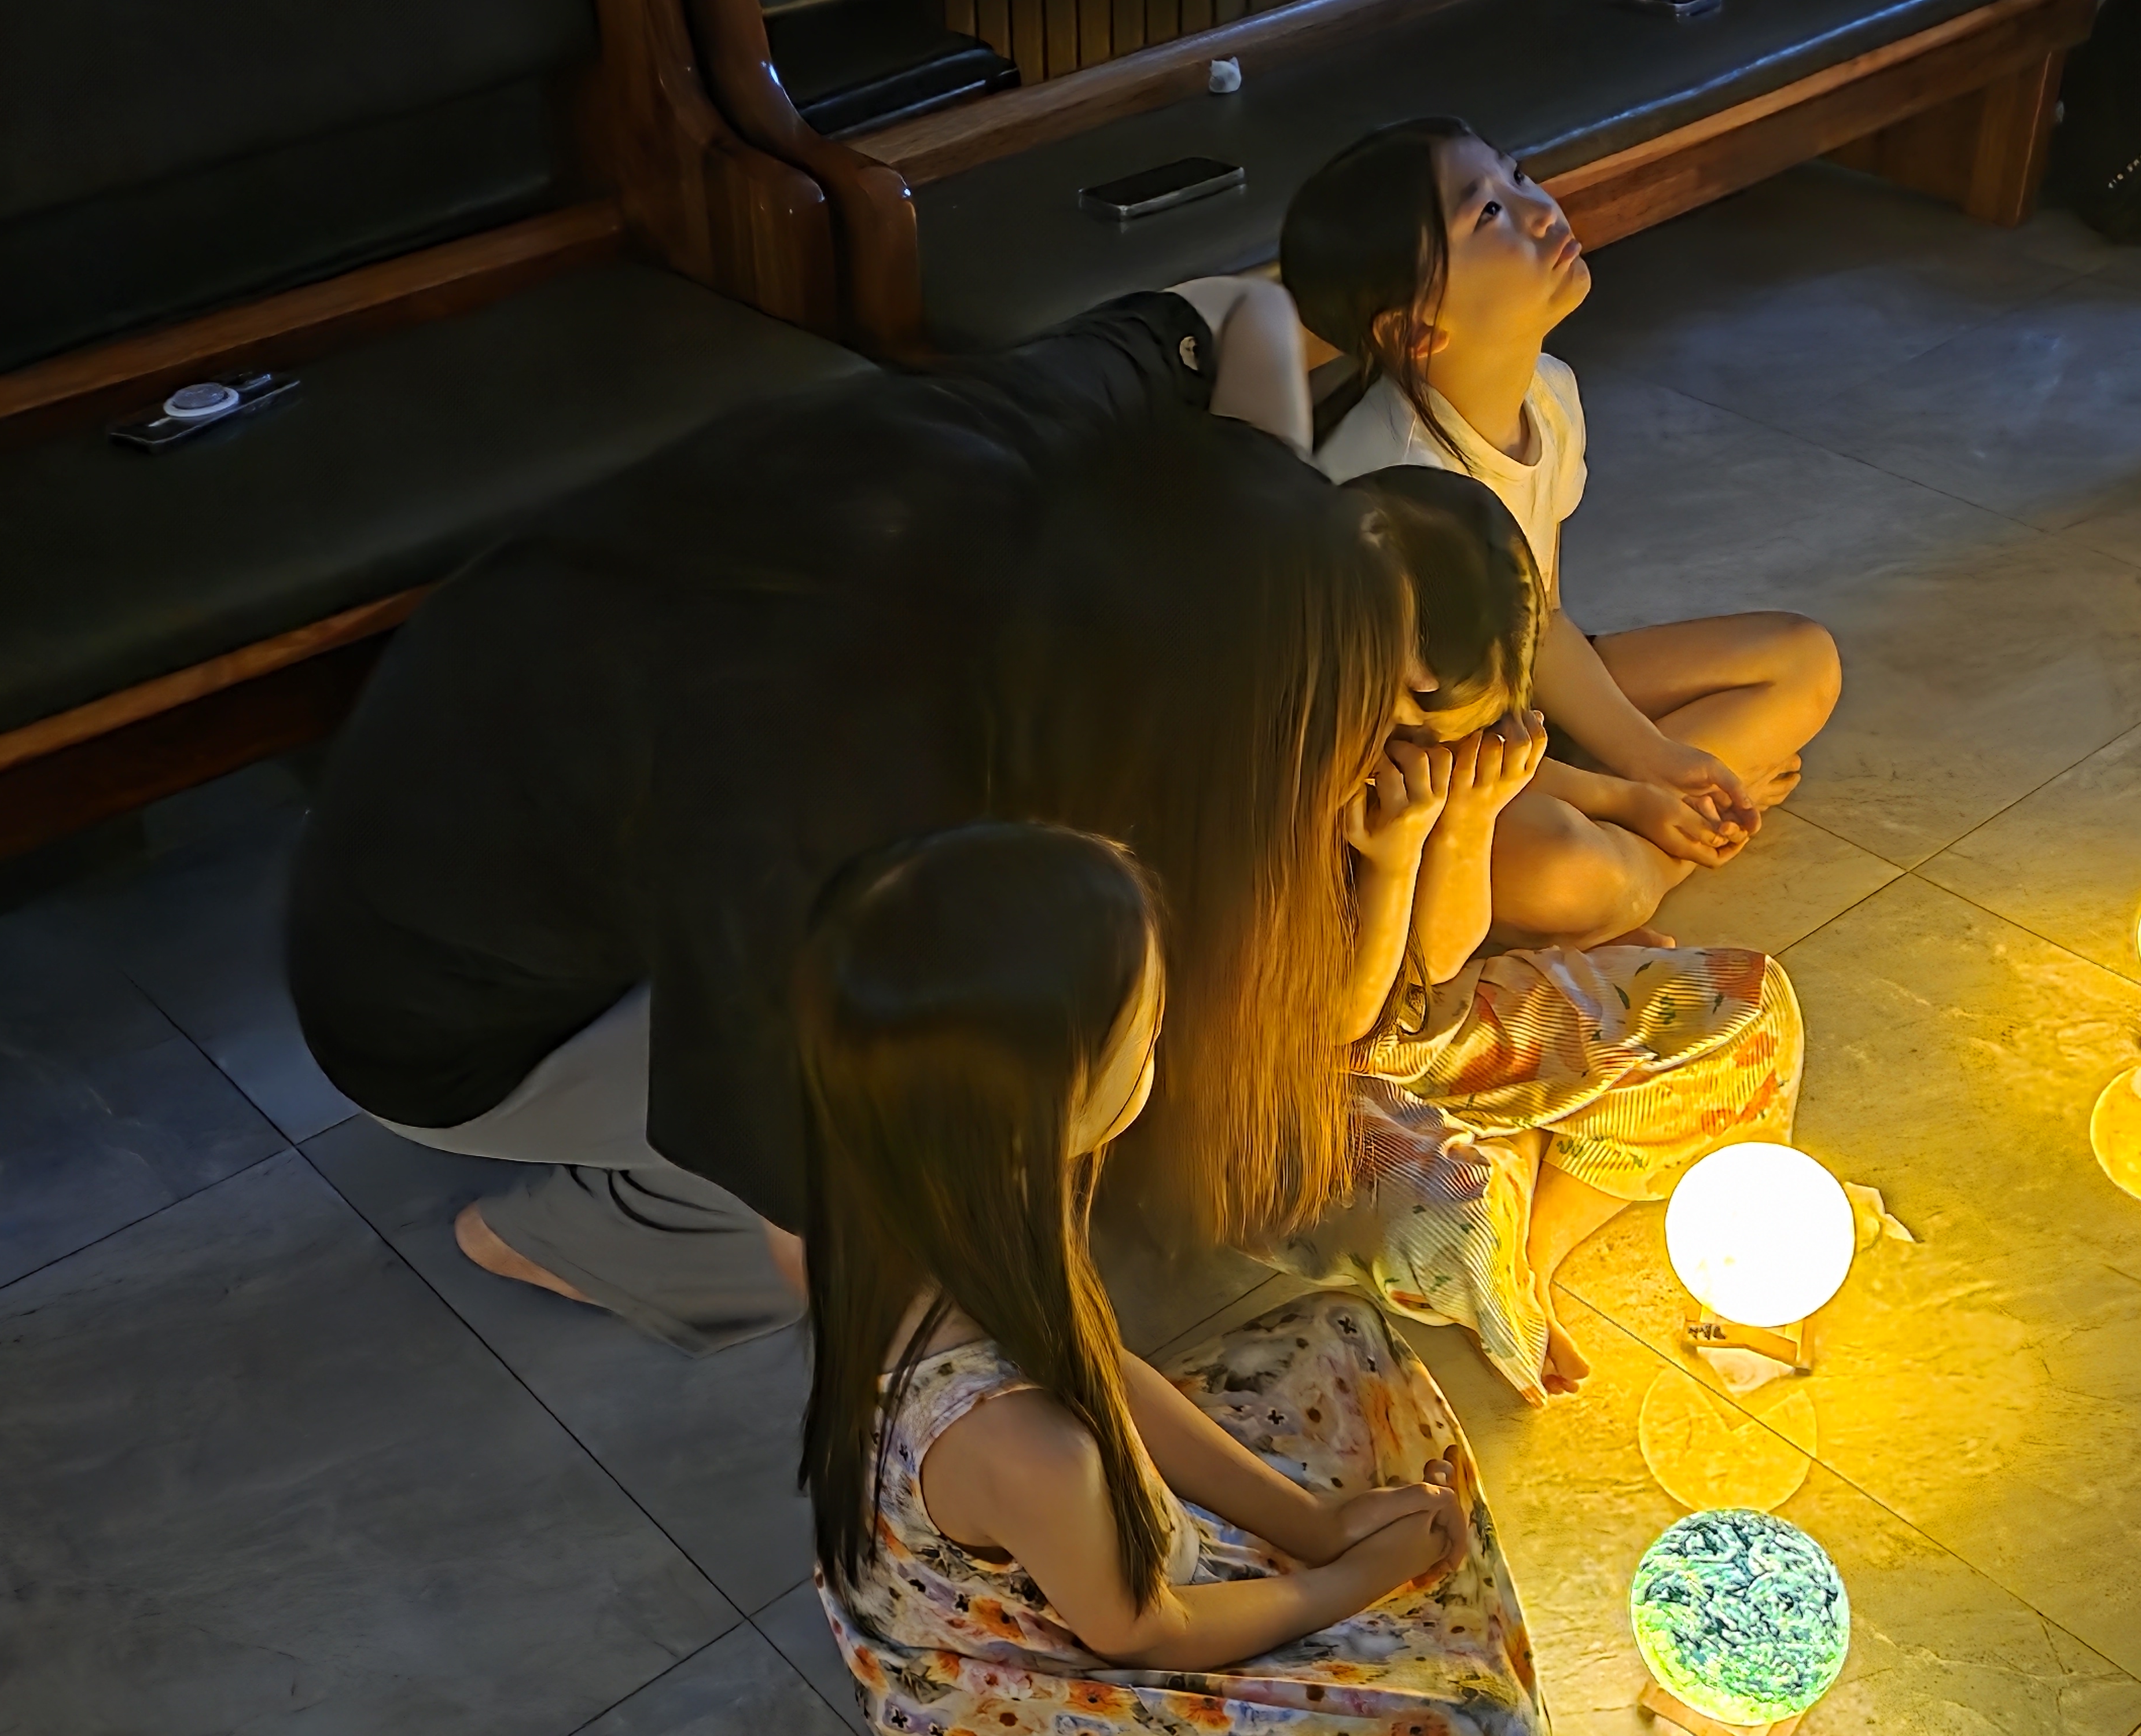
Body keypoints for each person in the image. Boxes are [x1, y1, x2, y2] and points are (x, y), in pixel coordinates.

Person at [288, 278, 1393, 1356]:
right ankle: (588, 1237)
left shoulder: (1064, 436)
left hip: (485, 751)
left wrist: (1270, 494)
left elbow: (1247, 307)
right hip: (435, 1014)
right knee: (1007, 1100)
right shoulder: (838, 793)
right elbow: (867, 1274)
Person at [796, 820, 1546, 1735]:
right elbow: (1144, 1629)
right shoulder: (1027, 1443)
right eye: (1146, 1029)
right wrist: (1348, 1581)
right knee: (1467, 1713)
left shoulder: (922, 1207)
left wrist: (1313, 1525)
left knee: (1341, 1335)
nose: (1165, 1029)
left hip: (1051, 1529)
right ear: (1048, 1101)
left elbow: (1098, 1365)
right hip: (1052, 1658)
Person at [1282, 468, 1804, 1403]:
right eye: (1422, 733)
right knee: (1451, 1221)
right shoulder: (1274, 767)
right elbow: (1354, 1030)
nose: (1436, 758)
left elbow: (1440, 974)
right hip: (1309, 1075)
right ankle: (1509, 1181)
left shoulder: (1436, 735)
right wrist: (1396, 862)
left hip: (1432, 1020)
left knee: (1749, 1013)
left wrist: (1477, 821)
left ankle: (1538, 1246)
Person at [1282, 119, 1842, 950]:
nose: (1541, 210)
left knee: (1803, 661)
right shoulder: (1392, 491)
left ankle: (1639, 851)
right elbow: (1429, 752)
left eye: (1518, 179)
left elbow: (1539, 620)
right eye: (1488, 215)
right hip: (1421, 781)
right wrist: (1630, 797)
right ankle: (1644, 873)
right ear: (1417, 329)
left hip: (1511, 720)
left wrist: (1653, 760)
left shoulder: (1547, 392)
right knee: (1567, 871)